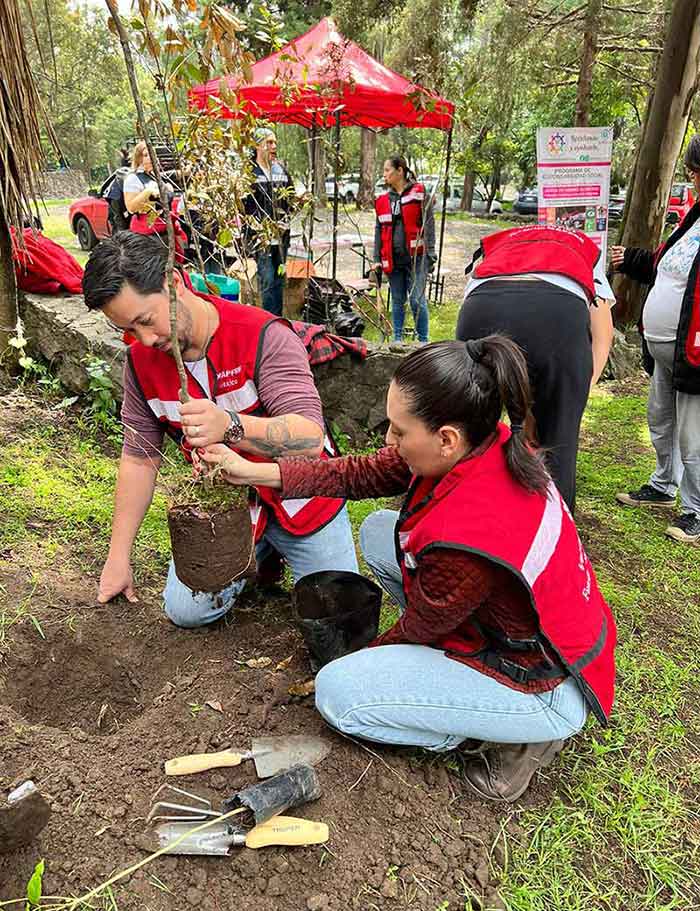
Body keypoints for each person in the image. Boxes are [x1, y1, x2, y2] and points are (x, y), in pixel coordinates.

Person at [200, 337, 617, 803]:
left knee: (340, 694)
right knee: (382, 531)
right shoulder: (485, 441)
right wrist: (254, 471)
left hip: (543, 684)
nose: (388, 440)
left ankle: (513, 736)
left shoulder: (469, 534)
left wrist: (360, 662)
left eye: (399, 431)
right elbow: (355, 474)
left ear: (445, 439)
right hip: (542, 634)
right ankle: (478, 704)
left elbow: (419, 628)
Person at [81, 230, 358, 627]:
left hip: (304, 498)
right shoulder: (141, 364)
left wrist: (229, 425)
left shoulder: (262, 335)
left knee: (341, 613)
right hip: (230, 511)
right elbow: (139, 460)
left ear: (173, 284)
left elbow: (309, 439)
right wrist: (118, 556)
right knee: (186, 612)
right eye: (128, 329)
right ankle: (257, 558)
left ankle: (279, 552)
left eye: (146, 320)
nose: (144, 339)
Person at [456, 225, 615, 512]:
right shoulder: (582, 250)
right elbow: (603, 336)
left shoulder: (501, 245)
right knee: (559, 441)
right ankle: (555, 534)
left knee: (468, 430)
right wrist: (574, 395)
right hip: (557, 313)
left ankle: (461, 516)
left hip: (481, 305)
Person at [611, 135, 700, 545]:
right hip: (666, 350)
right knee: (660, 420)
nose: (692, 178)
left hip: (695, 354)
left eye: (695, 171)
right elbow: (667, 268)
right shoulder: (693, 217)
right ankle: (664, 485)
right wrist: (629, 258)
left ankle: (695, 509)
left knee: (692, 434)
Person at [372, 156, 436, 343]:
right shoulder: (383, 200)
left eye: (387, 170)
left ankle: (423, 341)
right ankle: (397, 339)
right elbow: (378, 230)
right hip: (392, 259)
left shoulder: (419, 192)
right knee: (397, 300)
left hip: (417, 258)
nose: (384, 174)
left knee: (416, 300)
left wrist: (431, 252)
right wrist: (376, 257)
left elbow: (429, 223)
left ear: (400, 171)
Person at [243, 127, 294, 317]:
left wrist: (285, 222)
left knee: (279, 281)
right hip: (261, 239)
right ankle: (269, 322)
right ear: (257, 145)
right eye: (269, 142)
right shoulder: (249, 173)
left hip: (281, 240)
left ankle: (279, 319)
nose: (274, 146)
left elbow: (291, 200)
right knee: (267, 280)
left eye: (275, 142)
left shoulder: (281, 170)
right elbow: (244, 206)